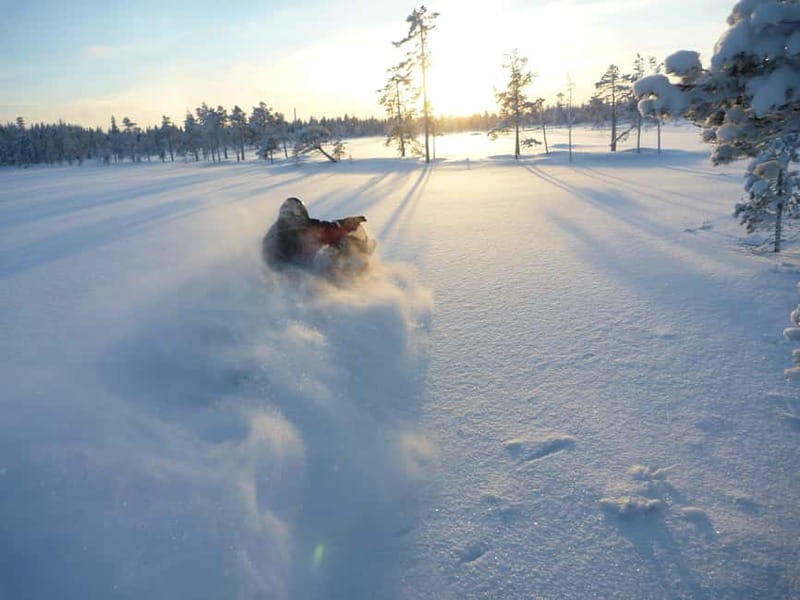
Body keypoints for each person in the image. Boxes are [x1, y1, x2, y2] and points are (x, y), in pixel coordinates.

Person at [262, 197, 367, 270]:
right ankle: (355, 271)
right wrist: (347, 224)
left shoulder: (274, 232)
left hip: (293, 275)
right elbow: (328, 230)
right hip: (302, 276)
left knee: (338, 244)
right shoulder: (294, 230)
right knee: (342, 244)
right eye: (297, 214)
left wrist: (344, 223)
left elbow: (327, 228)